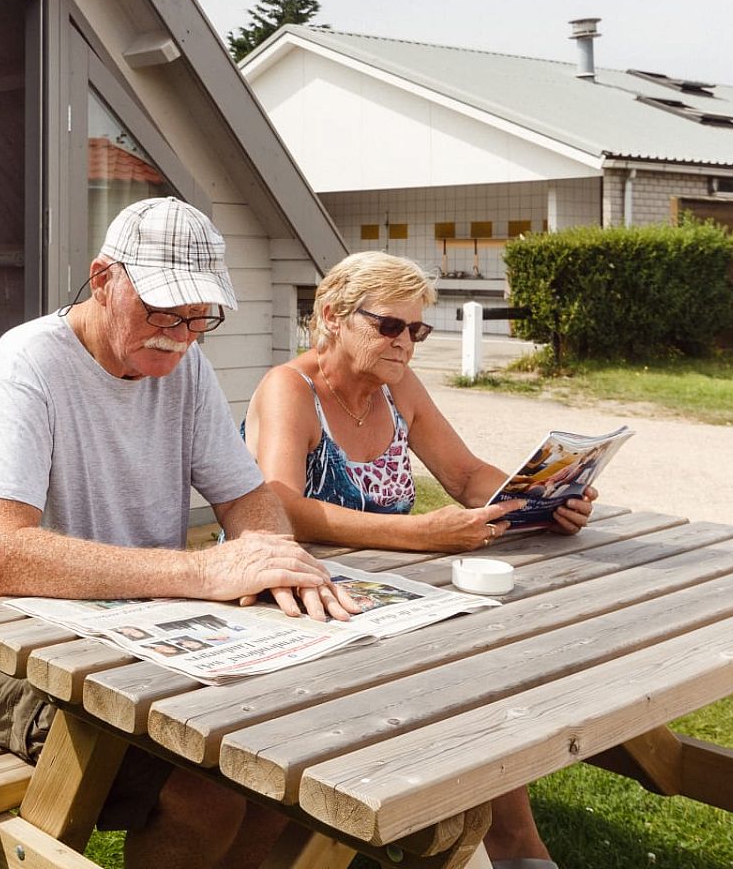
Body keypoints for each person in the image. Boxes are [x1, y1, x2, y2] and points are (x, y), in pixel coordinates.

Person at [0, 197, 359, 869]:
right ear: (103, 279)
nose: (179, 334)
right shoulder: (28, 366)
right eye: (162, 310)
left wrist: (276, 562)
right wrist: (204, 573)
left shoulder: (185, 364)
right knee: (213, 792)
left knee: (288, 768)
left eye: (199, 317)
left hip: (141, 647)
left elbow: (248, 495)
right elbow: (0, 555)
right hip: (4, 665)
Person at [243, 250, 594, 869]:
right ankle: (504, 846)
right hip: (293, 601)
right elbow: (280, 506)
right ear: (332, 316)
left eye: (418, 330)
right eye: (389, 327)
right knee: (469, 667)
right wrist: (419, 535)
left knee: (488, 656)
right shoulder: (289, 388)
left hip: (381, 594)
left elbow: (462, 474)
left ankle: (500, 843)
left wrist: (540, 498)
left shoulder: (395, 384)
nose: (406, 344)